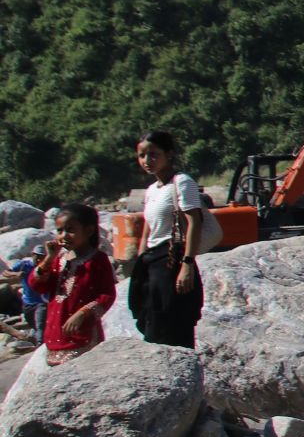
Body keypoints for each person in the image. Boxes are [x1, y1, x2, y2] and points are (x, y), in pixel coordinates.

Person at [133, 130, 205, 349]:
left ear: (169, 154)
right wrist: (140, 256)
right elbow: (148, 226)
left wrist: (187, 263)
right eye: (142, 155)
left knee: (173, 320)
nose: (147, 161)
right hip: (151, 260)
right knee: (150, 318)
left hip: (171, 258)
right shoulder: (151, 190)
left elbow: (195, 222)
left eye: (153, 154)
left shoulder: (182, 182)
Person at [29, 203, 117, 363]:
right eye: (60, 231)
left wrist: (82, 313)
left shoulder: (98, 260)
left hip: (82, 334)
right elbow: (37, 286)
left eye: (70, 230)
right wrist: (48, 259)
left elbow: (107, 295)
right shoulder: (58, 259)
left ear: (89, 231)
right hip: (56, 333)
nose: (63, 236)